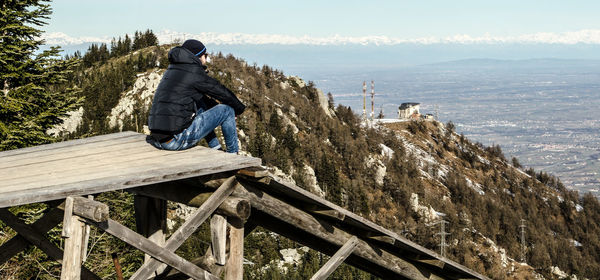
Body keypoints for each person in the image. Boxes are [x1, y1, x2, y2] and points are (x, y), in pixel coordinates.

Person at [147, 39, 245, 153]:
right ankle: (233, 155)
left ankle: (216, 148)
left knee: (200, 103)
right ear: (198, 56)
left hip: (158, 139)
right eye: (205, 55)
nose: (207, 58)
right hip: (175, 141)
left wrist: (217, 110)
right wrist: (238, 109)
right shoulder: (194, 72)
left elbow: (203, 100)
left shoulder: (173, 69)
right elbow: (221, 91)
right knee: (227, 110)